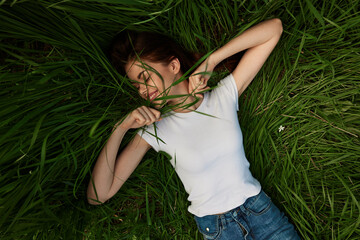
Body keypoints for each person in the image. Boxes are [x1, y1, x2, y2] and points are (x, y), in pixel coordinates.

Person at [87, 18, 301, 239]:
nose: (142, 90)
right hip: (220, 229)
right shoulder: (155, 130)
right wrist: (120, 128)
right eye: (137, 85)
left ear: (173, 65)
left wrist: (212, 61)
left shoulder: (222, 97)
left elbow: (274, 28)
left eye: (146, 78)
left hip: (261, 211)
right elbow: (98, 195)